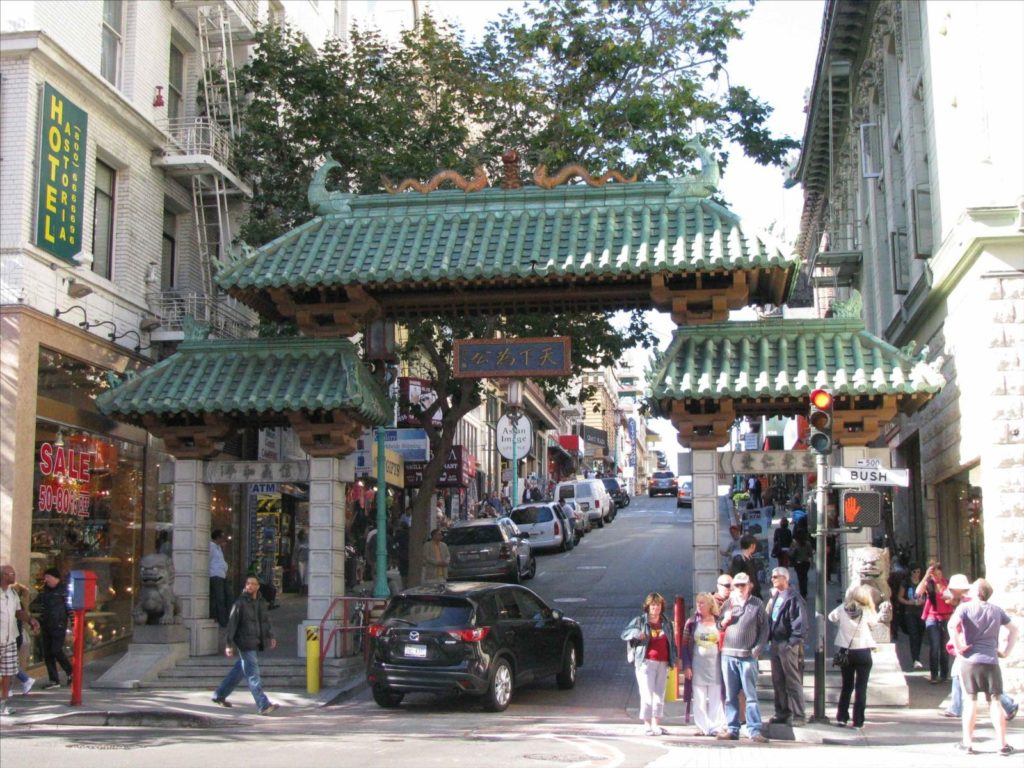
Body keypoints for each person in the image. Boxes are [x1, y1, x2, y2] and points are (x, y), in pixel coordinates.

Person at [948, 578, 1018, 756]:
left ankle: (967, 743)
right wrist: (1006, 651)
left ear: (976, 592)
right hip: (991, 660)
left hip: (970, 660)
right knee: (994, 701)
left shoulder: (964, 608)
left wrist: (958, 647)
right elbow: (1014, 630)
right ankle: (1002, 744)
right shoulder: (997, 610)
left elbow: (951, 625)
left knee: (970, 701)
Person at [212, 575, 280, 715]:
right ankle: (263, 704)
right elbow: (232, 624)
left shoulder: (260, 602)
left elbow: (265, 621)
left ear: (258, 586)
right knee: (253, 674)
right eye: (248, 583)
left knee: (239, 670)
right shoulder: (239, 603)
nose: (250, 586)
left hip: (254, 641)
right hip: (244, 642)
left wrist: (270, 635)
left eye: (253, 584)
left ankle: (219, 694)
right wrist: (228, 644)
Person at [718, 572, 769, 742]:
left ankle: (754, 730)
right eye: (737, 585)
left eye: (743, 585)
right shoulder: (728, 604)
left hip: (747, 656)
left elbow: (764, 630)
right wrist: (724, 621)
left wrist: (757, 649)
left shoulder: (757, 604)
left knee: (750, 695)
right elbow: (718, 624)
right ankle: (732, 729)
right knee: (730, 695)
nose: (740, 588)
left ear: (749, 586)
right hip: (729, 655)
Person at [621, 592, 677, 736]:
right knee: (647, 695)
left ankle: (656, 724)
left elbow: (672, 643)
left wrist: (674, 659)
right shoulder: (640, 621)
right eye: (653, 605)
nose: (655, 608)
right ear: (647, 606)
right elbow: (624, 633)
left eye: (658, 605)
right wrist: (636, 633)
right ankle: (647, 725)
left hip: (663, 662)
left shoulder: (666, 622)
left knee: (659, 695)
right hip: (645, 662)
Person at [828, 585, 882, 728]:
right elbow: (875, 623)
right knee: (861, 687)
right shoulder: (868, 610)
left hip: (845, 651)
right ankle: (858, 721)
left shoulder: (843, 607)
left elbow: (831, 617)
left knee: (846, 686)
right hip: (863, 651)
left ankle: (842, 717)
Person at [766, 567, 807, 725]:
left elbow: (800, 622)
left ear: (785, 578)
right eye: (772, 576)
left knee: (792, 680)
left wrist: (792, 642)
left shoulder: (793, 597)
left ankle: (798, 714)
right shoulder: (777, 596)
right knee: (778, 680)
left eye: (776, 576)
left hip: (787, 643)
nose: (773, 579)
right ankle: (782, 712)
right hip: (776, 642)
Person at [681, 592, 725, 737]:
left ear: (710, 605)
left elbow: (724, 640)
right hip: (697, 666)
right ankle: (702, 727)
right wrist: (687, 666)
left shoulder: (719, 621)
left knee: (715, 698)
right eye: (698, 603)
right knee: (699, 699)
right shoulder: (692, 622)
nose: (699, 605)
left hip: (715, 666)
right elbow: (684, 644)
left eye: (702, 603)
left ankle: (715, 727)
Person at [1, 564, 40, 716]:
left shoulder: (12, 594)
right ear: (3, 576)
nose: (14, 576)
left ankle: (3, 704)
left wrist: (31, 620)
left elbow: (19, 612)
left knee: (8, 672)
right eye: (11, 574)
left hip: (10, 638)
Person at [915, 561, 953, 684]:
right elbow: (917, 594)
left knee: (944, 647)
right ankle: (934, 675)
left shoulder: (947, 584)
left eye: (939, 573)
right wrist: (926, 576)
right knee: (935, 646)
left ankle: (944, 674)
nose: (938, 576)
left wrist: (949, 600)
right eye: (935, 574)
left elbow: (955, 600)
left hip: (946, 617)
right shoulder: (929, 584)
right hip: (932, 618)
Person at [37, 568, 73, 690]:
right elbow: (41, 607)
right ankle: (53, 679)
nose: (46, 580)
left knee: (56, 650)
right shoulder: (45, 591)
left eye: (48, 577)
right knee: (48, 653)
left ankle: (70, 671)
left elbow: (69, 608)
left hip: (59, 625)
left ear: (55, 578)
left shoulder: (63, 591)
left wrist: (73, 624)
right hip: (46, 625)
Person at [898, 564, 926, 670]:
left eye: (918, 572)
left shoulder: (922, 583)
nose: (916, 574)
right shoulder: (906, 583)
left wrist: (923, 601)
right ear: (910, 572)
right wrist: (909, 602)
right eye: (914, 572)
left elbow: (927, 596)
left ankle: (917, 656)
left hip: (921, 612)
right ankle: (915, 659)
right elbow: (899, 597)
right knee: (913, 636)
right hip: (910, 613)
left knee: (920, 635)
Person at [209, 529, 231, 628]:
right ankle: (222, 620)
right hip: (215, 574)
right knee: (219, 598)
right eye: (222, 537)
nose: (223, 539)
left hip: (221, 574)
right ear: (217, 537)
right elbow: (209, 560)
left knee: (226, 596)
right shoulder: (211, 547)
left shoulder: (219, 548)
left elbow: (221, 560)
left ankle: (221, 618)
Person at [729, 535, 762, 599]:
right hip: (744, 593)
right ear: (752, 545)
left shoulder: (750, 559)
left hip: (754, 593)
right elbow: (734, 576)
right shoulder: (739, 559)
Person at [789, 529, 814, 599]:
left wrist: (794, 551)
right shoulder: (807, 543)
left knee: (800, 578)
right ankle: (804, 592)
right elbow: (810, 554)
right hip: (806, 563)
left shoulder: (794, 543)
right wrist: (811, 562)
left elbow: (790, 553)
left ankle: (802, 592)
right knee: (804, 577)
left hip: (798, 563)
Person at [292, 530, 309, 595]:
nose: (304, 535)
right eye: (303, 534)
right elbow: (295, 553)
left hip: (308, 560)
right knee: (301, 575)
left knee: (307, 576)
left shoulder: (309, 540)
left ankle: (305, 589)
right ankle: (301, 589)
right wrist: (294, 562)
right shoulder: (298, 542)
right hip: (301, 560)